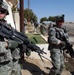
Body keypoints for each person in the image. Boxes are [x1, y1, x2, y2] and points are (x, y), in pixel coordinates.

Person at [0, 1, 22, 75]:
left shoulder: (8, 26)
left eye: (2, 11)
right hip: (2, 66)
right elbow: (9, 44)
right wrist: (7, 44)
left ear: (6, 13)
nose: (0, 13)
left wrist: (24, 46)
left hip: (14, 62)